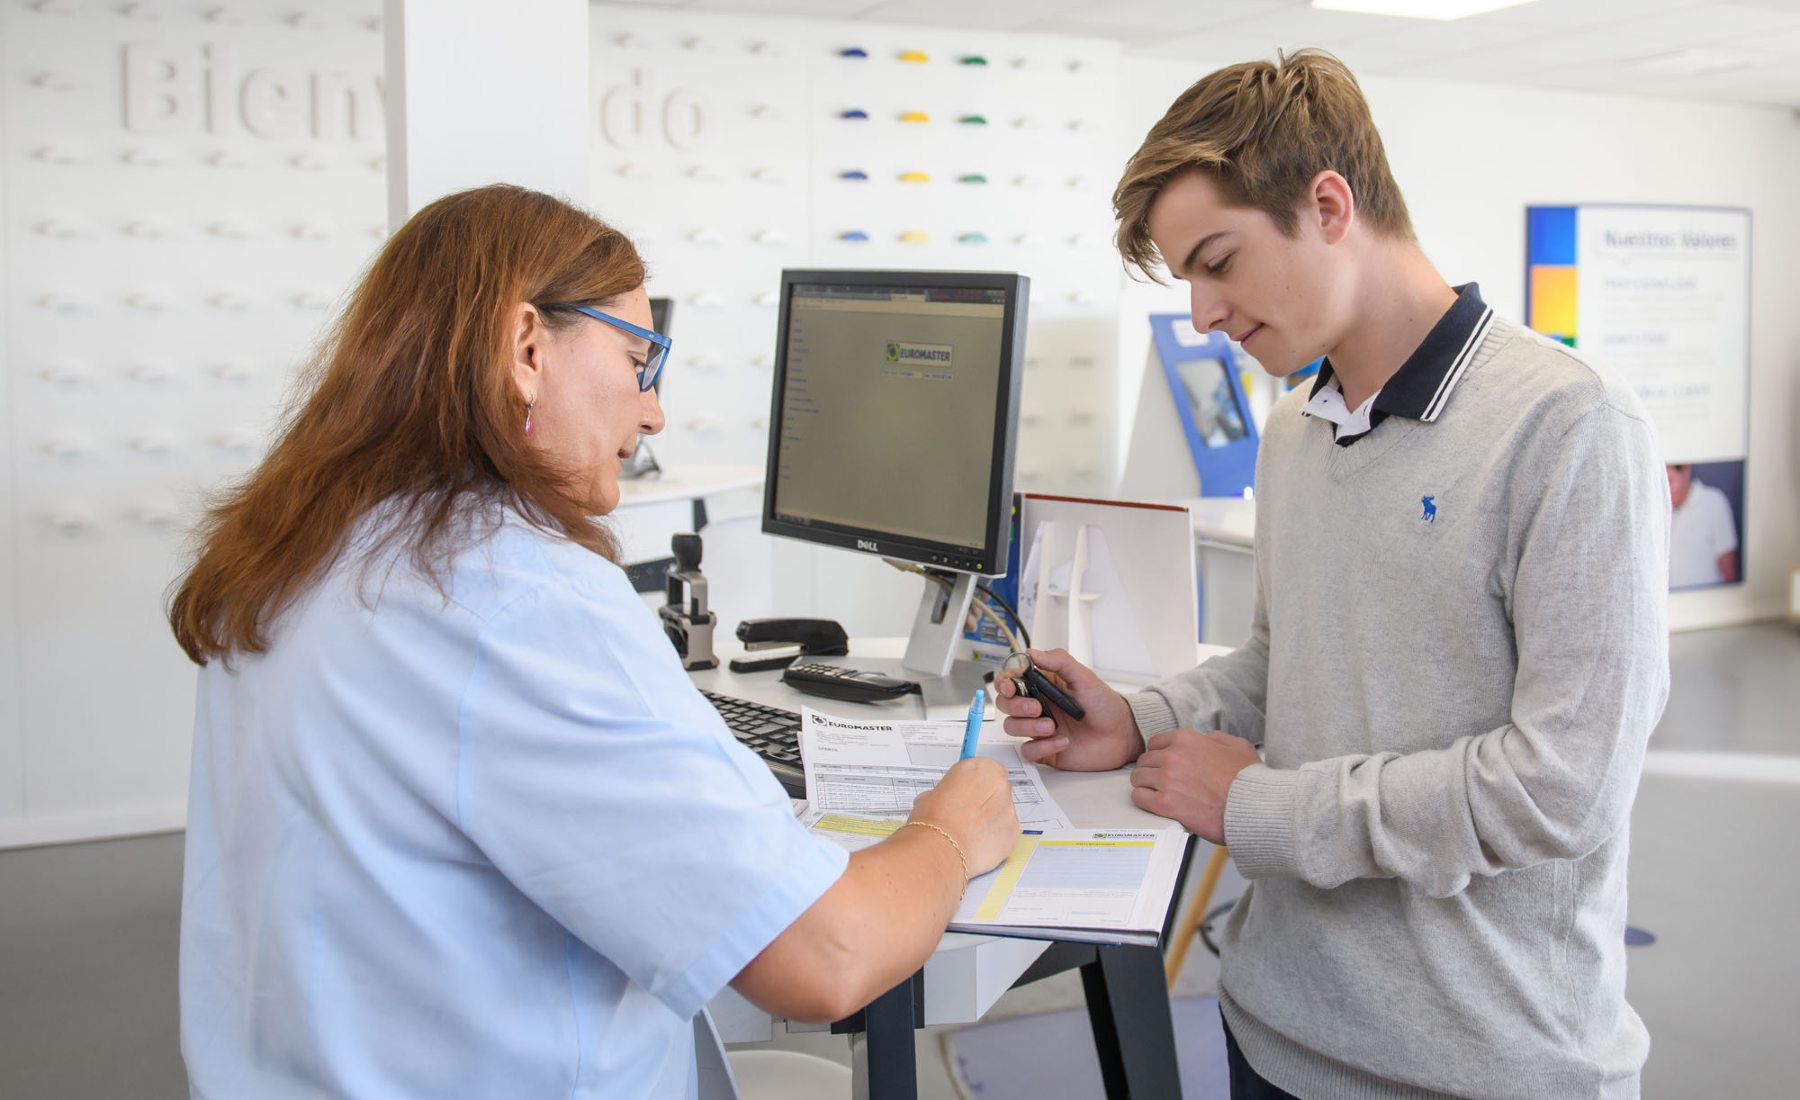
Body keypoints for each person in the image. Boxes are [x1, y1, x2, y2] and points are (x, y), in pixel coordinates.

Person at [167, 184, 1019, 1099]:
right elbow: (827, 954)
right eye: (638, 359)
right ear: (527, 348)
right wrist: (946, 832)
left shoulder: (299, 552)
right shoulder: (516, 594)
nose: (652, 415)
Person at [998, 51, 1670, 1099]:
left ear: (1327, 205)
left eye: (1218, 262)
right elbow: (1285, 660)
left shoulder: (1572, 425)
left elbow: (1560, 789)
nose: (1203, 314)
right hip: (1274, 1027)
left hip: (1478, 1066)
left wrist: (1260, 807)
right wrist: (1137, 719)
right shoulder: (1293, 430)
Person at [1666, 463, 1740, 587]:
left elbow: (1729, 571)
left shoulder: (1713, 502)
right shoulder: (1660, 511)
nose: (1667, 491)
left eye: (1670, 481)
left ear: (1686, 470)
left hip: (1710, 598)